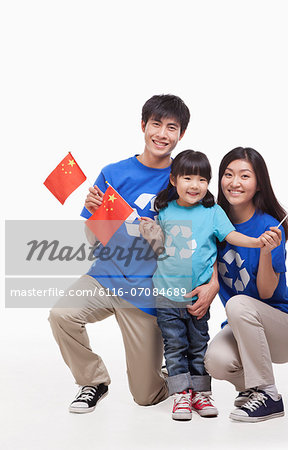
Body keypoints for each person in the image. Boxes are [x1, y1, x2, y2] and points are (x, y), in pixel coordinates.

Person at [48, 95, 219, 414]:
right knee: (61, 315)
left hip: (148, 292)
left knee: (146, 395)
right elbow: (94, 240)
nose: (162, 134)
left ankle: (174, 377)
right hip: (104, 278)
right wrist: (94, 213)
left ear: (181, 135)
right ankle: (93, 381)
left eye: (172, 127)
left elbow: (198, 245)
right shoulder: (113, 172)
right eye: (156, 124)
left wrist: (161, 241)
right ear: (143, 126)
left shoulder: (183, 182)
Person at [139, 150, 272, 421]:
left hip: (198, 294)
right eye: (187, 178)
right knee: (174, 346)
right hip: (166, 294)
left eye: (202, 179)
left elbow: (232, 235)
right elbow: (157, 250)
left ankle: (201, 394)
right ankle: (181, 395)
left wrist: (257, 242)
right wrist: (150, 235)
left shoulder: (213, 211)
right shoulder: (163, 209)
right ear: (174, 180)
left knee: (198, 345)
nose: (195, 185)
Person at [204, 147, 288, 423]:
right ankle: (250, 391)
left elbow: (265, 293)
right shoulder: (214, 222)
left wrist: (265, 251)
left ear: (259, 182)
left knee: (238, 304)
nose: (234, 182)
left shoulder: (270, 226)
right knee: (215, 359)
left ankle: (269, 394)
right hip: (243, 328)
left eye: (244, 176)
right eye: (228, 174)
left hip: (285, 329)